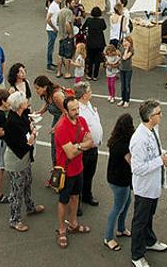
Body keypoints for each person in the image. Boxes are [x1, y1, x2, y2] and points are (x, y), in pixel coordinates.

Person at [129, 100, 167, 266]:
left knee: (149, 216)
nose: (161, 115)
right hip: (144, 188)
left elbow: (155, 151)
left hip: (153, 184)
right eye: (158, 113)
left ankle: (149, 240)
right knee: (140, 220)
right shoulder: (139, 139)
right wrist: (160, 160)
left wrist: (163, 155)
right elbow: (137, 168)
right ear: (150, 117)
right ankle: (137, 255)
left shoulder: (153, 129)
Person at [53, 98, 93, 249]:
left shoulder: (81, 120)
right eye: (73, 110)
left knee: (76, 196)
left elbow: (91, 141)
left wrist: (78, 146)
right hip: (65, 171)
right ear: (65, 111)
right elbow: (69, 154)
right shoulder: (62, 127)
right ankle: (62, 229)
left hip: (78, 168)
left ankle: (73, 223)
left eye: (77, 108)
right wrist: (83, 145)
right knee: (63, 201)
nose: (77, 112)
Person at [3, 91, 45, 232]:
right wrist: (31, 140)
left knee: (27, 183)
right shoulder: (12, 122)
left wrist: (31, 129)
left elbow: (27, 127)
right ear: (20, 104)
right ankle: (14, 220)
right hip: (16, 160)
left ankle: (30, 207)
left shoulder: (22, 115)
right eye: (25, 100)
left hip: (24, 157)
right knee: (16, 191)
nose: (27, 101)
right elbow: (19, 144)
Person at [104, 113, 134, 251]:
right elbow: (132, 162)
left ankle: (121, 228)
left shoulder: (115, 139)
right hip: (120, 180)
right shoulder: (124, 145)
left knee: (126, 202)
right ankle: (108, 237)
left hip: (117, 177)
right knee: (117, 207)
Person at [75, 82, 103, 207]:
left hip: (93, 147)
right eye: (89, 91)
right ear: (84, 95)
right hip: (85, 149)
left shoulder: (89, 104)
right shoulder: (79, 110)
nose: (91, 92)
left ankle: (87, 195)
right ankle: (77, 202)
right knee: (80, 176)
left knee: (90, 173)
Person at [81, 6, 107, 80]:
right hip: (100, 42)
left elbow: (83, 27)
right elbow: (104, 28)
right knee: (97, 59)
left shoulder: (89, 20)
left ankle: (89, 74)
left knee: (90, 58)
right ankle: (95, 75)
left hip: (91, 42)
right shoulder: (102, 21)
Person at [45, 0, 63, 71]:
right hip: (51, 30)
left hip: (54, 29)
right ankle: (49, 63)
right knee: (50, 47)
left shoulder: (57, 5)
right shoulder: (53, 6)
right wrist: (54, 28)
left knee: (51, 47)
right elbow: (48, 19)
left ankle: (50, 62)